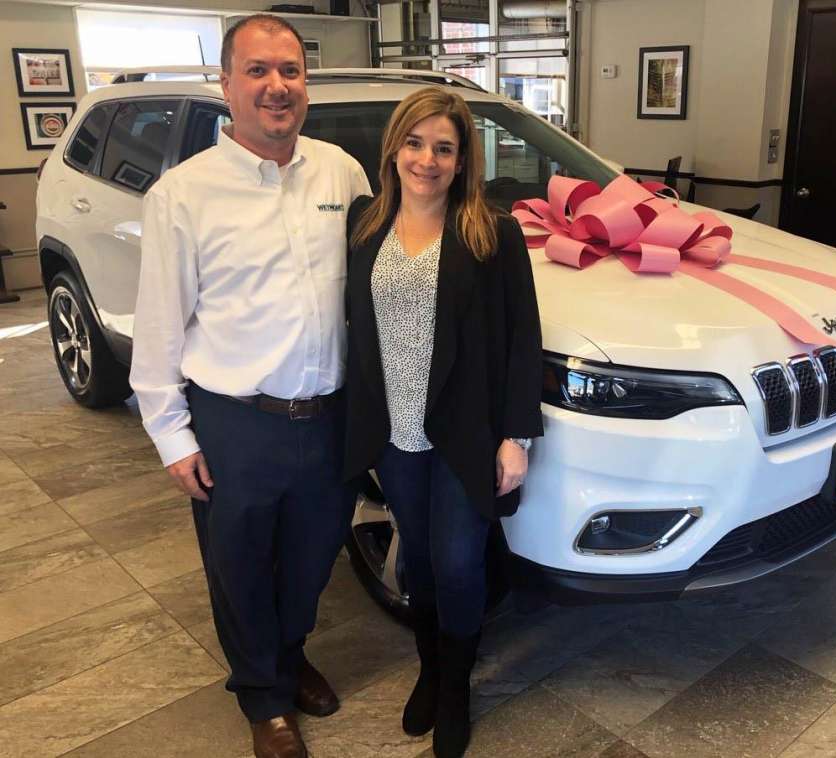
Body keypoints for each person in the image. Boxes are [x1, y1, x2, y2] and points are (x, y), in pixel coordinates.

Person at [130, 15, 370, 758]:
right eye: (259, 71)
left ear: (306, 84)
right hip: (237, 418)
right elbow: (160, 329)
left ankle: (290, 654)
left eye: (291, 71)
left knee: (311, 558)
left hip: (327, 415)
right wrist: (173, 437)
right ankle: (263, 697)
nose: (277, 87)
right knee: (237, 564)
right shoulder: (183, 196)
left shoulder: (342, 173)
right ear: (227, 85)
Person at [344, 87, 543, 758]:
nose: (427, 159)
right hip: (394, 435)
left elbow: (523, 340)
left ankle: (455, 687)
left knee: (460, 566)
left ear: (462, 162)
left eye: (444, 148)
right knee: (421, 567)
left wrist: (516, 437)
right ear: (394, 148)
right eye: (416, 143)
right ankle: (430, 668)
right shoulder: (361, 227)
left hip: (464, 437)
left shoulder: (492, 233)